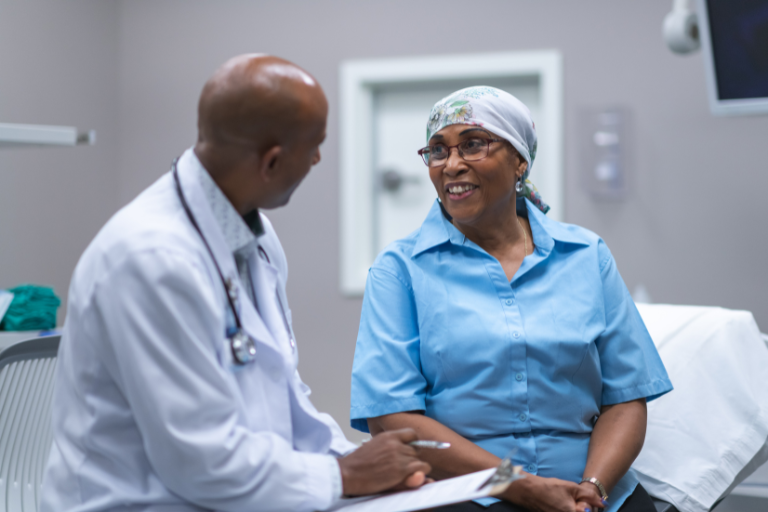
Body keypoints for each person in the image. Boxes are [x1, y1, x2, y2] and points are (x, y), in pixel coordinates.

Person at [41, 54, 431, 512]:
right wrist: (344, 476)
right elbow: (200, 462)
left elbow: (285, 396)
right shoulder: (149, 259)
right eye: (315, 146)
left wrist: (357, 459)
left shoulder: (255, 238)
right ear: (271, 162)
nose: (318, 158)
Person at [349, 86, 673, 512]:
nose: (452, 164)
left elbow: (626, 396)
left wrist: (593, 488)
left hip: (593, 492)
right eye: (437, 151)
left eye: (473, 145)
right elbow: (392, 418)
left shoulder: (585, 254)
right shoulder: (400, 269)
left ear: (519, 160)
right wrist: (518, 485)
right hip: (464, 492)